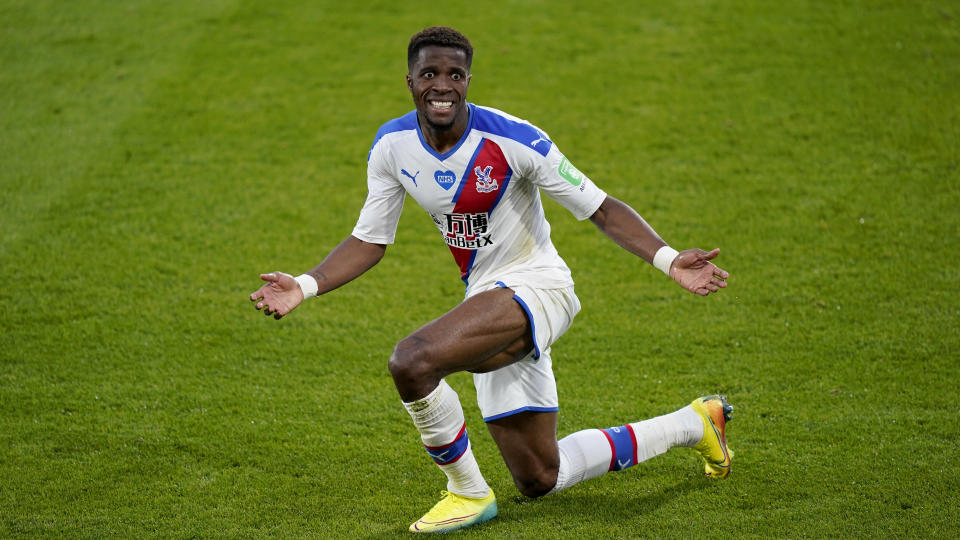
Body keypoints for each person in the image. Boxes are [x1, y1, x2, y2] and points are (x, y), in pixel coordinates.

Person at [250, 26, 732, 534]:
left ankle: (466, 492)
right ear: (409, 81)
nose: (443, 86)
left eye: (454, 75)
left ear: (468, 80)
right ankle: (695, 422)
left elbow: (601, 208)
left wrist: (669, 259)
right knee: (542, 475)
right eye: (429, 74)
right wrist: (303, 285)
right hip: (488, 298)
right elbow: (370, 239)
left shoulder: (513, 138)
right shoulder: (392, 146)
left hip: (540, 287)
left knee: (412, 362)